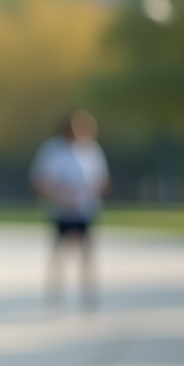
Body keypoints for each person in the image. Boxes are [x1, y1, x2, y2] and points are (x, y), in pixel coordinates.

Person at [29, 110, 111, 306]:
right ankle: (55, 297)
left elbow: (102, 180)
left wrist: (88, 193)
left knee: (87, 255)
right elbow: (39, 181)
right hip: (61, 210)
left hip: (84, 209)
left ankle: (89, 297)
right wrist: (60, 195)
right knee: (58, 255)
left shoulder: (91, 150)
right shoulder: (53, 149)